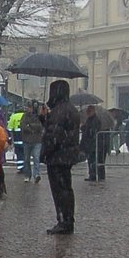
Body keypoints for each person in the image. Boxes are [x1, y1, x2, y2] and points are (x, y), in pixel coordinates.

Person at [39, 80, 82, 234]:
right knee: (66, 189)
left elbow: (54, 135)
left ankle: (64, 221)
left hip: (58, 156)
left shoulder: (59, 111)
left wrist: (44, 153)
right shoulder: (70, 110)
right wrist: (45, 119)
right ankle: (67, 219)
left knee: (60, 191)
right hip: (66, 156)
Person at [18, 104, 44, 181]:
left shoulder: (39, 116)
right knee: (26, 159)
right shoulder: (25, 116)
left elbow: (40, 126)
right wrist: (31, 128)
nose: (28, 109)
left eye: (30, 107)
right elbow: (23, 126)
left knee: (36, 158)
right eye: (28, 107)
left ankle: (36, 175)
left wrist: (30, 126)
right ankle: (27, 175)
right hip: (27, 141)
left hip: (37, 141)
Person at [81, 104, 105, 183]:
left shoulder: (95, 120)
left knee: (93, 160)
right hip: (91, 144)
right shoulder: (90, 120)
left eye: (88, 111)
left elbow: (92, 131)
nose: (87, 113)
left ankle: (94, 175)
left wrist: (85, 129)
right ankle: (94, 174)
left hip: (93, 144)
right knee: (92, 160)